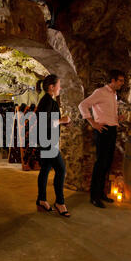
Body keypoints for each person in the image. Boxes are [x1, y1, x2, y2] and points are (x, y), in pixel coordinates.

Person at [78, 70, 125, 208]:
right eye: (120, 81)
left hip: (112, 130)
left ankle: (101, 193)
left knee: (107, 163)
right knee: (100, 164)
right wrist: (92, 123)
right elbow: (82, 105)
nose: (122, 83)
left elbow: (107, 113)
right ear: (113, 80)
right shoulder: (100, 92)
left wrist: (118, 118)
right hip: (103, 131)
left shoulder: (114, 95)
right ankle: (94, 196)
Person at [36, 74, 71, 217]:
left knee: (45, 169)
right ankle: (60, 202)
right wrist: (63, 120)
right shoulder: (47, 101)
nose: (60, 88)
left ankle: (41, 200)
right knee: (61, 170)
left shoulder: (48, 100)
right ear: (51, 87)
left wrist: (62, 122)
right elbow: (45, 122)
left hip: (46, 140)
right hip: (48, 142)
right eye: (59, 85)